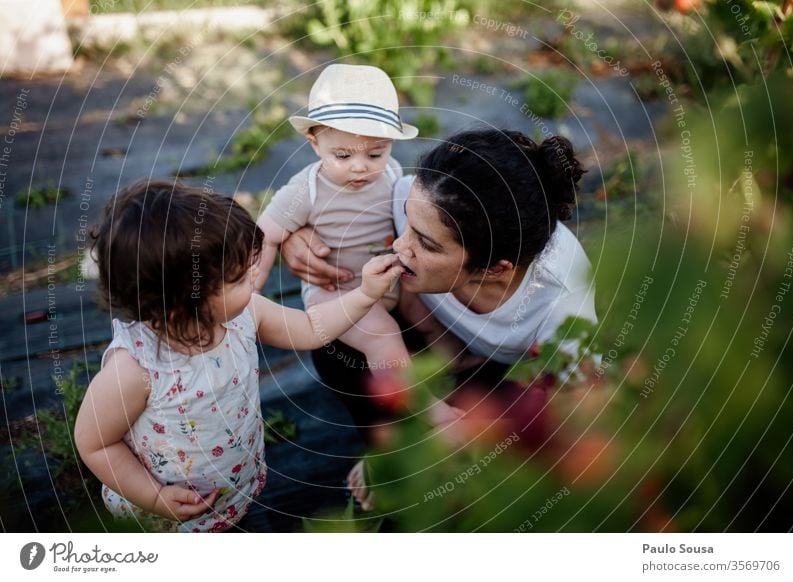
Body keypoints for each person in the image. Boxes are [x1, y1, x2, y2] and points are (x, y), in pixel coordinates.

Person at [280, 128, 598, 508]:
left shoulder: (563, 304)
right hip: (426, 345)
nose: (400, 246)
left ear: (495, 270)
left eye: (426, 244)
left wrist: (469, 435)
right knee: (337, 340)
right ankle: (384, 445)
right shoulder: (411, 196)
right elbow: (329, 242)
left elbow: (580, 423)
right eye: (406, 222)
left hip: (500, 377)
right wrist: (299, 240)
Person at [74, 179, 403, 531]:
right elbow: (96, 444)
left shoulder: (246, 315)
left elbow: (310, 327)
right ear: (180, 304)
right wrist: (154, 496)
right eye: (239, 277)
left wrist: (366, 294)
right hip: (166, 518)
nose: (254, 276)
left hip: (234, 488)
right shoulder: (135, 369)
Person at [254, 63, 418, 377]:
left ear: (391, 145)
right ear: (315, 143)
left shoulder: (393, 172)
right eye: (343, 156)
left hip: (389, 281)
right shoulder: (307, 190)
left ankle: (458, 368)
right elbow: (265, 235)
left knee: (436, 315)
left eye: (375, 154)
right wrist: (251, 293)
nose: (360, 167)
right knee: (384, 338)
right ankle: (424, 410)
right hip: (336, 292)